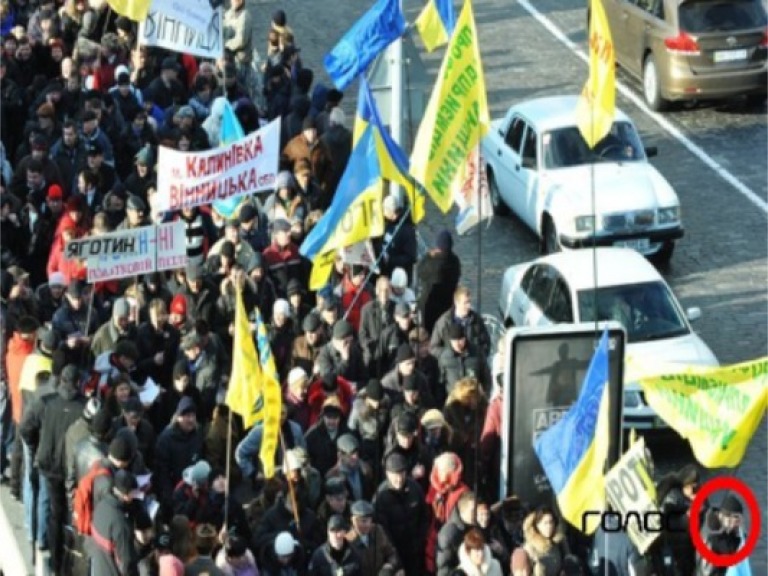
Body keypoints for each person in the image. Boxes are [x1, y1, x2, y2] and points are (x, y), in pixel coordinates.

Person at [374, 452, 427, 576]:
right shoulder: (381, 497)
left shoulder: (415, 489)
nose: (399, 478)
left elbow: (424, 516)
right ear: (387, 473)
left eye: (402, 473)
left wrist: (419, 541)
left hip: (414, 550)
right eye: (395, 474)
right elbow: (382, 530)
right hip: (394, 552)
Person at [85, 470, 141, 576]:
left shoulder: (101, 506)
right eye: (134, 493)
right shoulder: (121, 524)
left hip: (98, 569)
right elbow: (126, 564)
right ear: (126, 495)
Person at [417, 230, 461, 333]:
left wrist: (428, 256)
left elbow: (420, 271)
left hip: (429, 306)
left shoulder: (432, 263)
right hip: (447, 306)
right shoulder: (455, 261)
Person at [347, 499, 402, 576]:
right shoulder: (348, 539)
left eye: (369, 520)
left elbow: (391, 553)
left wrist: (389, 566)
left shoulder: (377, 531)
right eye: (363, 521)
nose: (367, 525)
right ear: (353, 520)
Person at [696, 495, 744, 576]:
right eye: (736, 520)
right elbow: (707, 571)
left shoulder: (723, 527)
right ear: (728, 518)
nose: (738, 525)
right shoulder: (712, 538)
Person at [519, 507, 569, 576]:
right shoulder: (529, 549)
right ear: (537, 526)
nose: (549, 526)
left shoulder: (559, 543)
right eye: (545, 523)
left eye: (551, 522)